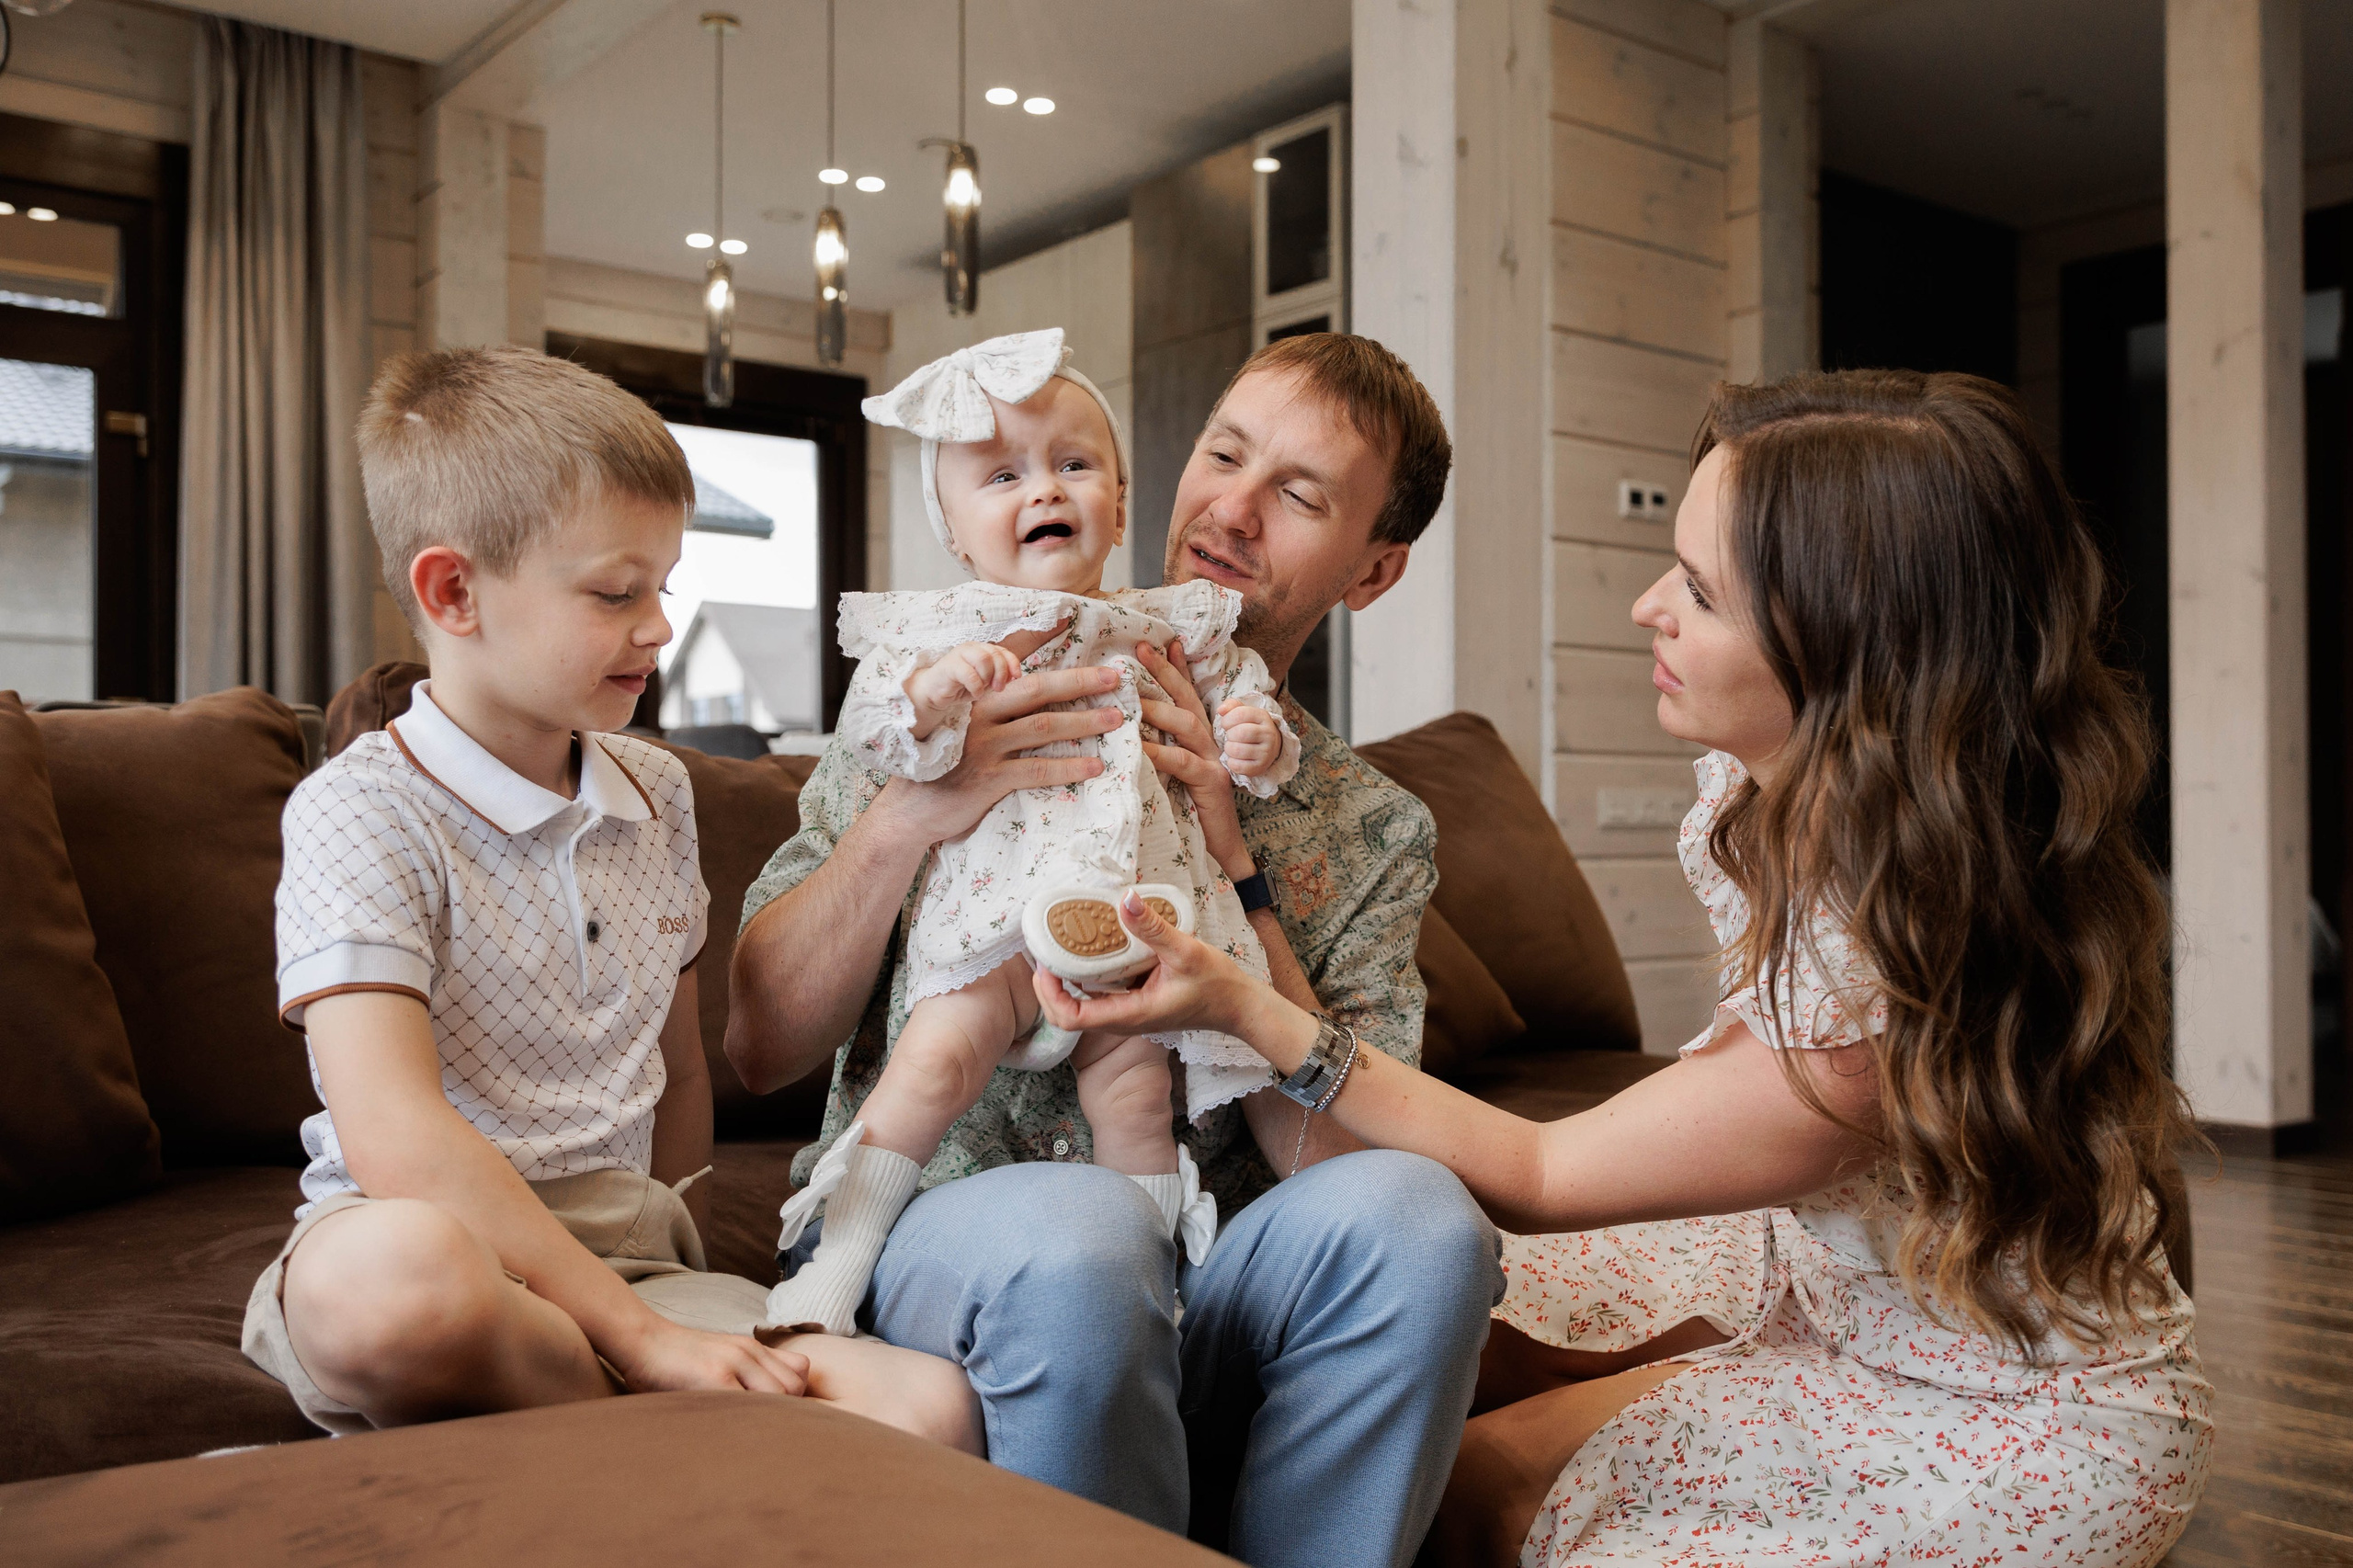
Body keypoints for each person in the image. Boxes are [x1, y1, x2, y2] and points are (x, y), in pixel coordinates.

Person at [1031, 369, 2214, 1566]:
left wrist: (1239, 994)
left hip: (1996, 1426)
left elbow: (1537, 1167)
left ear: (1846, 656)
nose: (1650, 606)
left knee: (1465, 1498)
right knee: (1462, 1350)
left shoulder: (1874, 1005)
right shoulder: (1798, 796)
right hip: (1834, 1277)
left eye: (1699, 591)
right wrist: (1235, 871)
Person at [729, 333, 1501, 1567]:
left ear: (1375, 568)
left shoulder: (1369, 826)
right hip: (967, 1239)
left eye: (1298, 494)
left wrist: (1233, 860)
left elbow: (1338, 1157)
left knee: (1426, 1217)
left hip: (1221, 1269)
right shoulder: (959, 678)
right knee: (1087, 1238)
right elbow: (759, 1042)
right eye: (1224, 454)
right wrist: (917, 811)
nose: (1233, 511)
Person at [242, 346, 978, 1452]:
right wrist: (637, 1339)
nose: (659, 625)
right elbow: (394, 1137)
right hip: (437, 1238)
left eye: (664, 586)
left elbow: (680, 1069)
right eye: (613, 592)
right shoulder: (361, 808)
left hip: (635, 1257)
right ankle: (666, 1434)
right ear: (454, 592)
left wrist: (666, 1275)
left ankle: (599, 1455)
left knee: (931, 1407)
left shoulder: (660, 791)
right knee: (391, 1286)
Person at [766, 327, 1297, 1337]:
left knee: (1139, 1100)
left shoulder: (1161, 626)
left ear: (1120, 504)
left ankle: (1146, 1297)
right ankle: (837, 1258)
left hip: (1125, 922)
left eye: (1072, 463)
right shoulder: (940, 630)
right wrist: (935, 696)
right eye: (1000, 474)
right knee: (931, 1067)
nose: (1042, 487)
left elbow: (1248, 718)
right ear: (957, 535)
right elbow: (887, 729)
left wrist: (1252, 736)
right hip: (991, 924)